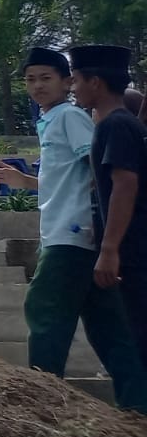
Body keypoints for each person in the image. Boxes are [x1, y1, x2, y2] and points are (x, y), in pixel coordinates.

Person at [0, 47, 147, 412]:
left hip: (70, 235)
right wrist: (27, 182)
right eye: (30, 79)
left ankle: (41, 403)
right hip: (83, 236)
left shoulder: (69, 117)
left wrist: (94, 223)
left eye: (47, 78)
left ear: (67, 82)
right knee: (109, 327)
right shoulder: (54, 119)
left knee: (44, 310)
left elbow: (100, 171)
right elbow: (71, 177)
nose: (38, 86)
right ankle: (138, 406)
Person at [69, 44, 147, 368]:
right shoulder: (125, 124)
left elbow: (124, 184)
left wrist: (110, 248)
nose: (73, 88)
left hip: (135, 251)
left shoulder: (115, 125)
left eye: (76, 80)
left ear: (95, 82)